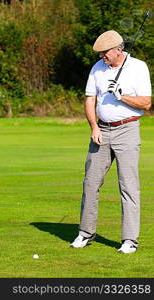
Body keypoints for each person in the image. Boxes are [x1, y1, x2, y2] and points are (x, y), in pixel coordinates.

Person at [70, 30, 152, 253]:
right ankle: (86, 233)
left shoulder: (138, 67)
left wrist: (121, 95)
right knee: (90, 183)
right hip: (102, 131)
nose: (101, 57)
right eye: (99, 54)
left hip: (128, 130)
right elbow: (90, 99)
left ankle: (129, 240)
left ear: (118, 50)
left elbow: (146, 103)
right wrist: (94, 126)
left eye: (104, 53)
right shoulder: (98, 69)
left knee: (128, 187)